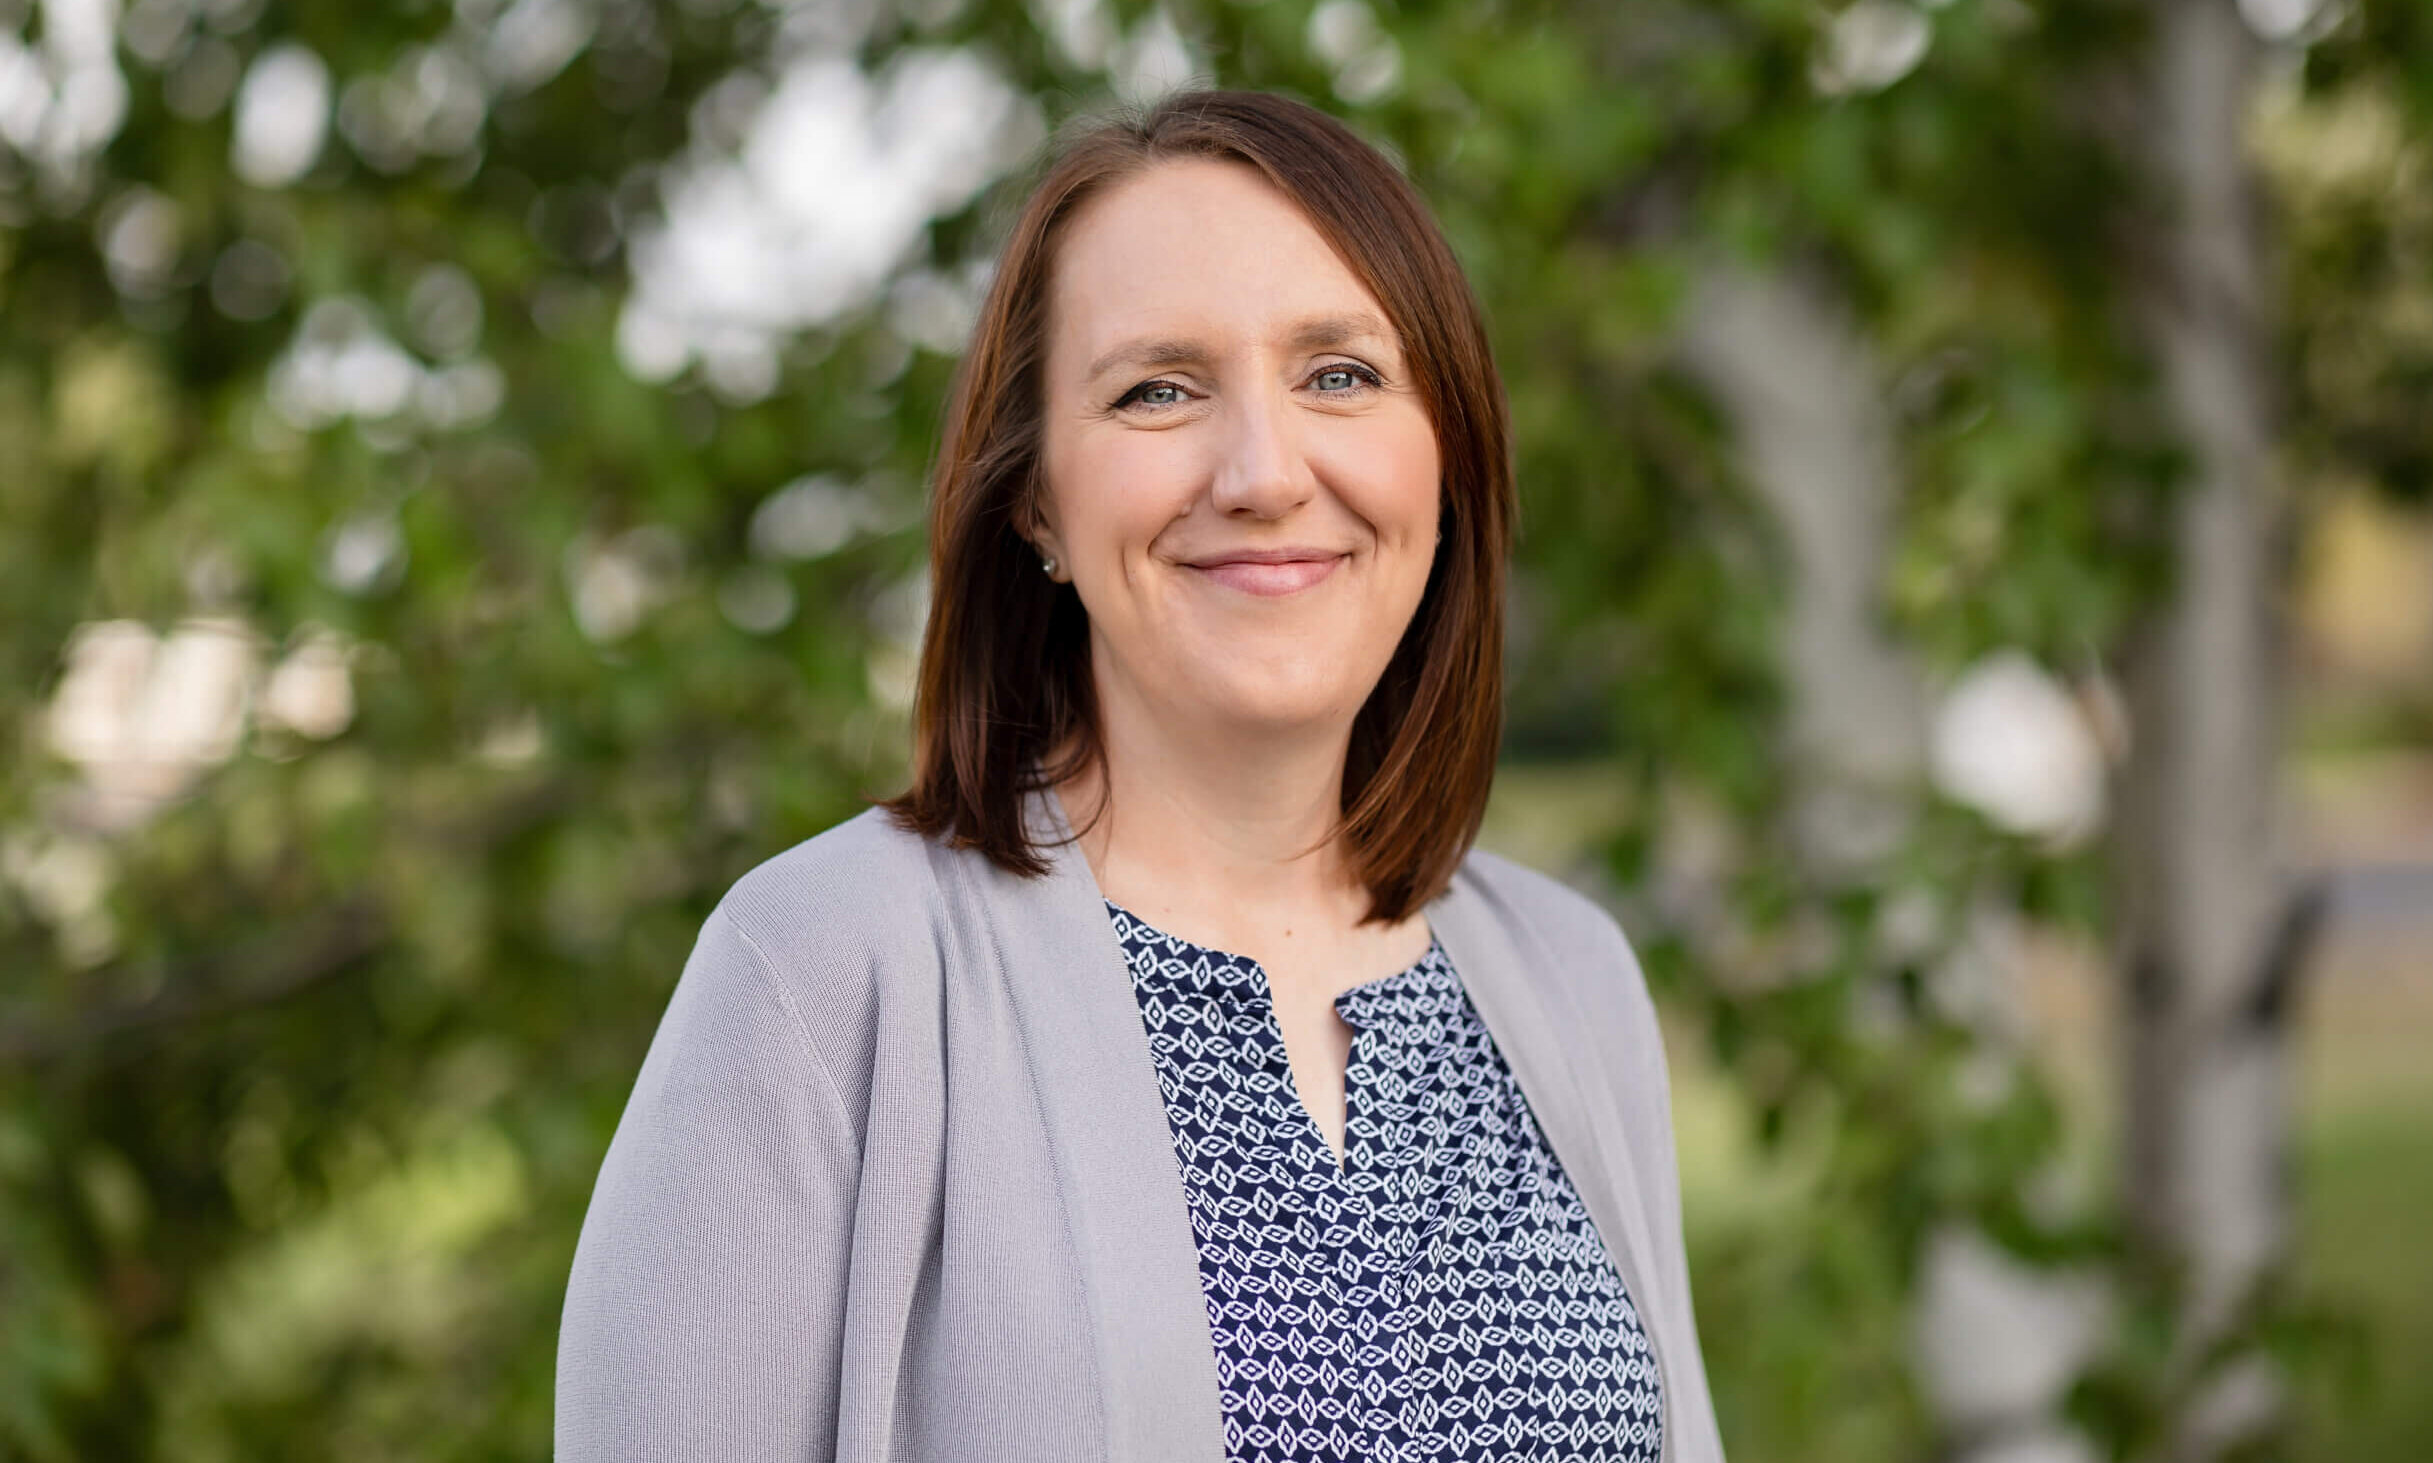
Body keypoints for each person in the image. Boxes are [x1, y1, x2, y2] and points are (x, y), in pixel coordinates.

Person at [554, 86, 1727, 1463]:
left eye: (1340, 374)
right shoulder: (824, 971)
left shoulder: (1569, 979)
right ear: (1037, 498)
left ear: (1445, 453)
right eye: (1156, 389)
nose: (1262, 471)